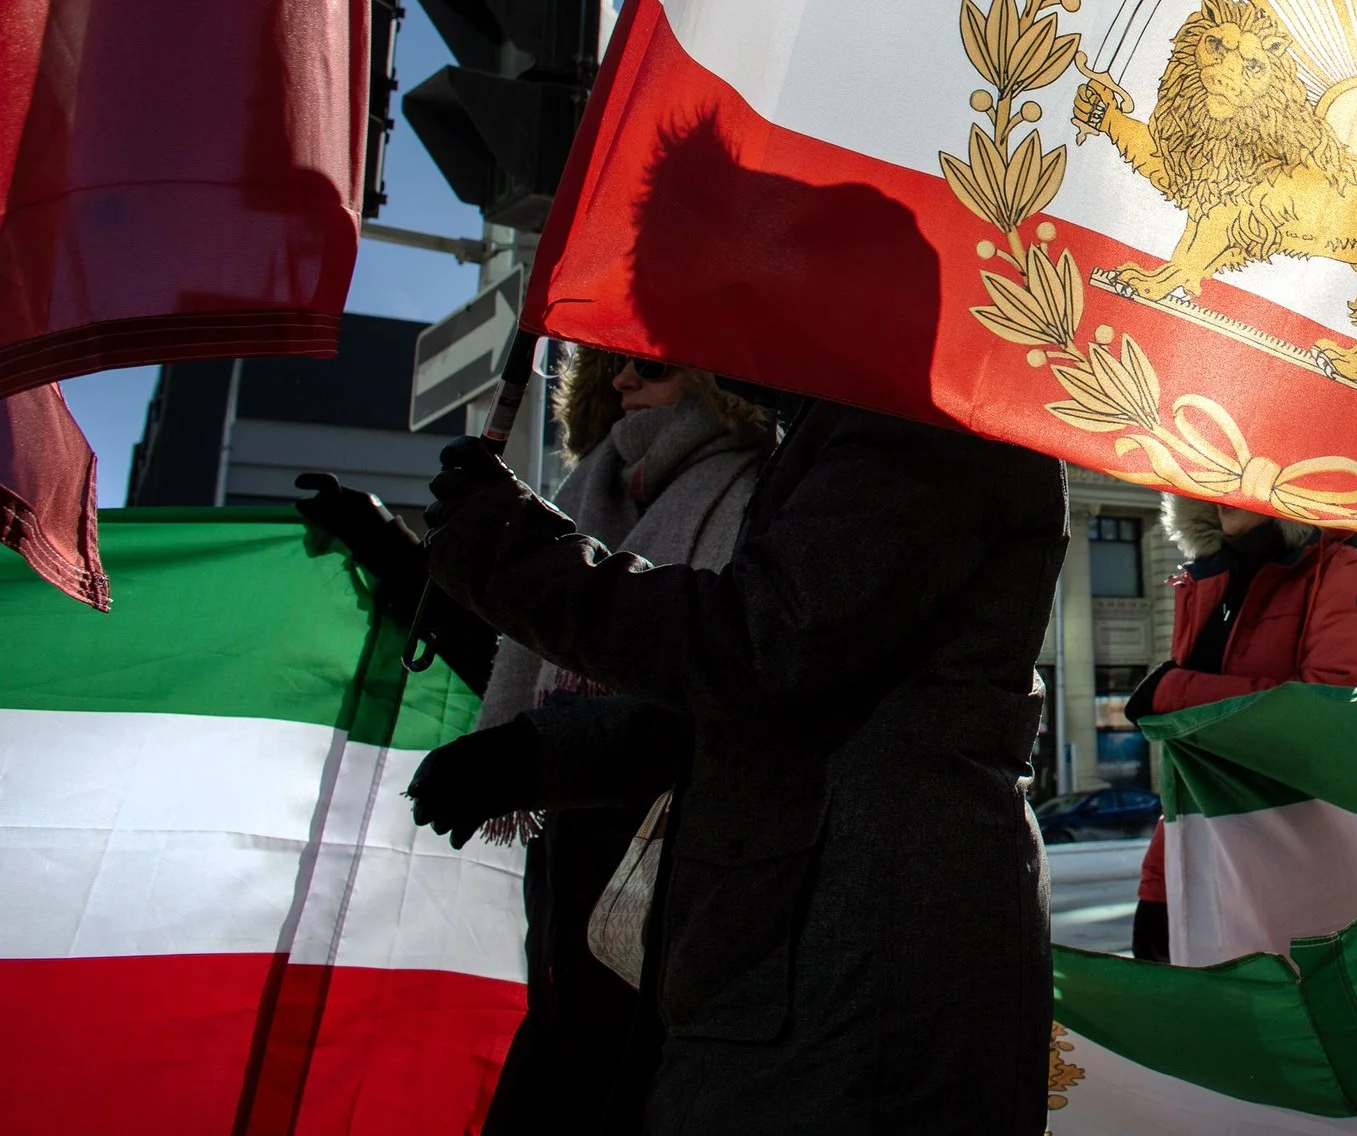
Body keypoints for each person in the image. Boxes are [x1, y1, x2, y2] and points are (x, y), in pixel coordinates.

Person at [413, 393, 1068, 1134]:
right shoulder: (859, 421)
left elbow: (765, 647)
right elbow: (765, 696)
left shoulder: (927, 421)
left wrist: (511, 549)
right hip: (795, 961)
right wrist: (543, 749)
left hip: (859, 977)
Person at [407, 350, 775, 1134]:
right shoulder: (585, 491)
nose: (622, 382)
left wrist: (539, 752)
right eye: (609, 368)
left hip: (677, 858)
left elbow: (714, 676)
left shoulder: (757, 489)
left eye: (649, 365)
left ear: (716, 375)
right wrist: (389, 549)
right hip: (564, 872)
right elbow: (531, 652)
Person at [1123, 494, 1357, 962]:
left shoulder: (1349, 575)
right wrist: (1159, 887)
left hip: (1313, 879)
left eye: (1238, 474)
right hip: (1210, 869)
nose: (1219, 491)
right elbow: (1196, 763)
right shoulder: (1208, 583)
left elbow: (1333, 720)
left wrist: (1173, 694)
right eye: (1211, 472)